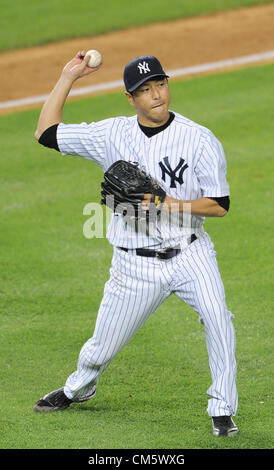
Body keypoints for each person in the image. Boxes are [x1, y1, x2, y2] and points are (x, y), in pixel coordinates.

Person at [33, 51, 238, 437]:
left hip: (191, 252)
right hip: (134, 265)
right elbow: (45, 133)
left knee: (218, 319)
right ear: (130, 98)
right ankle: (79, 388)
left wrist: (163, 203)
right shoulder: (111, 134)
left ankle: (222, 408)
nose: (157, 95)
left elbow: (220, 205)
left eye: (160, 84)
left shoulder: (199, 139)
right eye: (145, 90)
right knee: (100, 348)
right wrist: (68, 77)